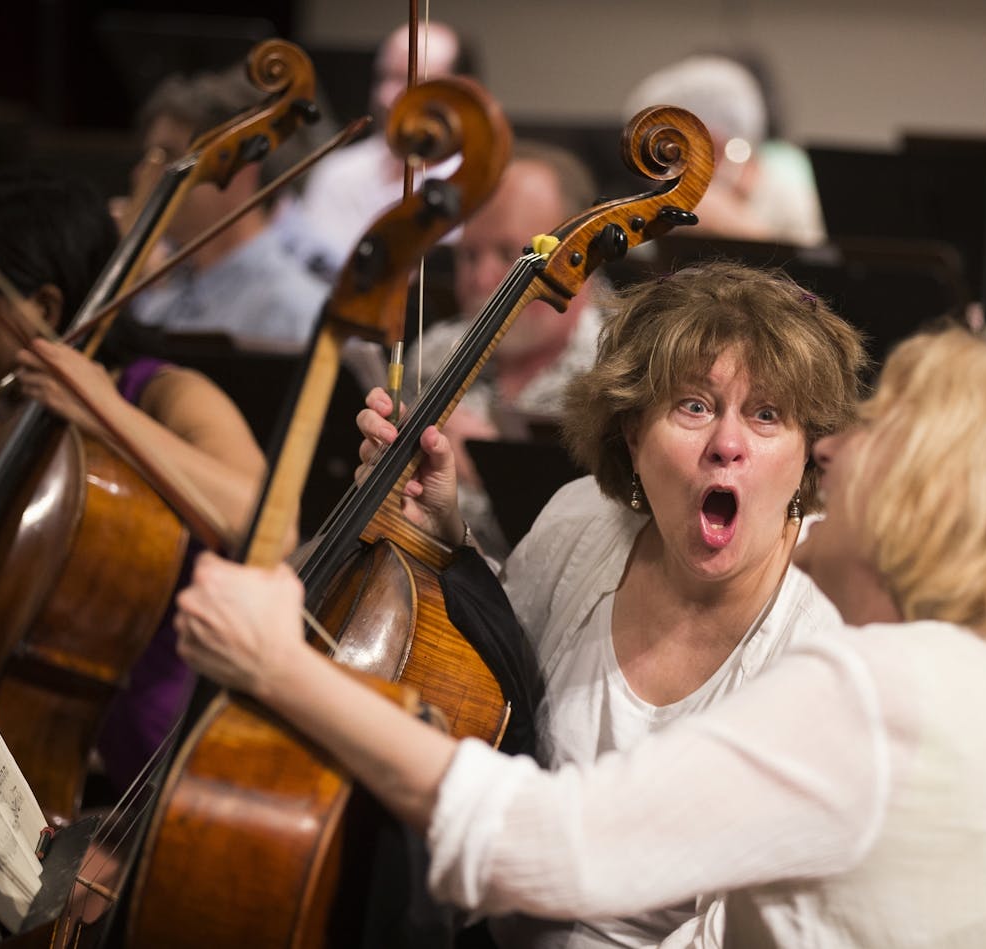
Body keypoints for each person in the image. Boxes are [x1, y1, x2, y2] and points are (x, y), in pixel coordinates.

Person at [175, 324, 986, 946]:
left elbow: (547, 847)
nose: (837, 445)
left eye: (882, 429)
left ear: (946, 492)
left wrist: (280, 666)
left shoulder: (883, 686)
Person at [357, 261, 866, 946]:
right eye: (694, 406)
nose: (728, 445)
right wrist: (443, 538)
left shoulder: (833, 624)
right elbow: (495, 683)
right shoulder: (581, 522)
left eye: (767, 414)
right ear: (632, 433)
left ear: (807, 454)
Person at [0, 168, 271, 796]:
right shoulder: (10, 426)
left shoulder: (165, 394)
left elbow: (264, 521)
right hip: (61, 773)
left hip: (183, 774)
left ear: (42, 307)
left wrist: (105, 412)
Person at [401, 140, 601, 558]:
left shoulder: (619, 372)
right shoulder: (437, 352)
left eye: (510, 254)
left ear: (580, 255)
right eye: (469, 256)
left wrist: (496, 469)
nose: (480, 279)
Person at [126, 66, 329, 347]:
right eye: (148, 158)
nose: (144, 175)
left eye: (168, 156)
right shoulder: (159, 300)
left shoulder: (296, 311)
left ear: (239, 168)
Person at [278, 20, 472, 274]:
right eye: (384, 77)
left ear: (462, 91)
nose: (385, 96)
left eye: (407, 80)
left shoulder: (473, 186)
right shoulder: (338, 171)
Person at [622, 53, 825, 247]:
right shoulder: (671, 196)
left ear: (711, 143)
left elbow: (810, 266)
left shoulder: (787, 188)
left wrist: (735, 227)